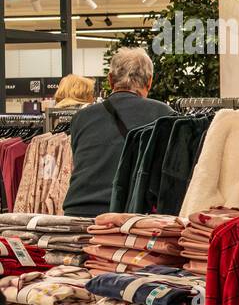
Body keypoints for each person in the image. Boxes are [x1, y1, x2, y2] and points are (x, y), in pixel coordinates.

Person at [62, 47, 173, 216]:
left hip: (77, 211)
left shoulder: (81, 117)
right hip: (128, 216)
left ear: (110, 80)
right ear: (149, 81)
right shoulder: (164, 115)